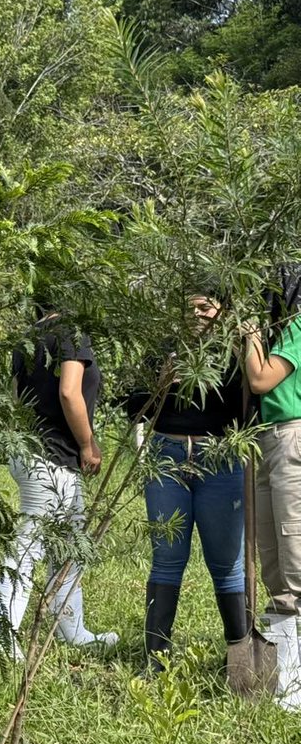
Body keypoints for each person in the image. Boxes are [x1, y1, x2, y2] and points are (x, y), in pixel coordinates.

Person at [0, 305, 118, 658]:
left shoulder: (28, 336)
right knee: (29, 545)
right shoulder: (71, 333)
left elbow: (16, 395)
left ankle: (73, 628)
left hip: (30, 450)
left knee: (69, 542)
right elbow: (69, 392)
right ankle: (2, 632)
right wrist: (87, 443)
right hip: (52, 456)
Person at [131, 294, 247, 669]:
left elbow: (250, 408)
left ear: (221, 312)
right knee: (166, 557)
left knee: (227, 561)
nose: (197, 316)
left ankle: (240, 656)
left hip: (221, 458)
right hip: (166, 454)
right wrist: (160, 384)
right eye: (190, 309)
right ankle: (156, 662)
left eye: (206, 309)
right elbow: (131, 404)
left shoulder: (235, 352)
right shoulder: (162, 349)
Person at [243, 262, 301, 711]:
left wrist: (251, 334)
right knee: (271, 560)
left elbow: (262, 378)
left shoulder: (299, 326)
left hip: (292, 438)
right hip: (266, 439)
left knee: (294, 553)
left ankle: (295, 682)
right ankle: (283, 677)